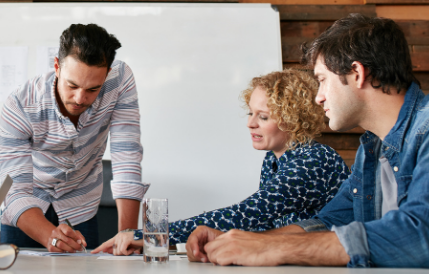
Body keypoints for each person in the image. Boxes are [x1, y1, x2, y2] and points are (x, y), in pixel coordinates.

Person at [190, 14, 429, 272]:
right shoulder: (372, 148)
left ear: (357, 73)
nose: (318, 97)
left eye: (322, 80)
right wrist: (245, 242)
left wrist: (273, 249)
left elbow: (420, 236)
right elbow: (331, 222)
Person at [93, 70, 349, 255]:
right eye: (250, 113)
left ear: (293, 119)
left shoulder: (313, 161)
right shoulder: (273, 159)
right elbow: (263, 224)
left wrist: (150, 235)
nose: (250, 123)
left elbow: (249, 213)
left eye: (263, 117)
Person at [0, 24, 148, 252]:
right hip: (26, 210)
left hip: (80, 208)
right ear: (57, 67)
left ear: (107, 74)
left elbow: (127, 158)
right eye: (72, 85)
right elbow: (15, 190)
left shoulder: (119, 81)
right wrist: (50, 236)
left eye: (93, 89)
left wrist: (127, 236)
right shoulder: (20, 104)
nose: (80, 98)